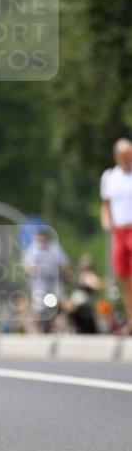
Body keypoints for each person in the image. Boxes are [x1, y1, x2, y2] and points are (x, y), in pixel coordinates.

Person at [100, 137, 132, 335]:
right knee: (123, 277)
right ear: (116, 157)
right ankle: (130, 319)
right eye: (123, 155)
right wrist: (106, 221)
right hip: (118, 231)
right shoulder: (110, 176)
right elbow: (106, 204)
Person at [22, 227, 70, 333]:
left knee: (60, 301)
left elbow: (64, 263)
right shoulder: (32, 250)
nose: (42, 243)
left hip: (53, 281)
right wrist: (31, 271)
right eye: (40, 240)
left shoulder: (54, 249)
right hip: (39, 283)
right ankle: (36, 328)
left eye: (43, 240)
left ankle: (56, 325)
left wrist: (67, 275)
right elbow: (27, 266)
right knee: (39, 306)